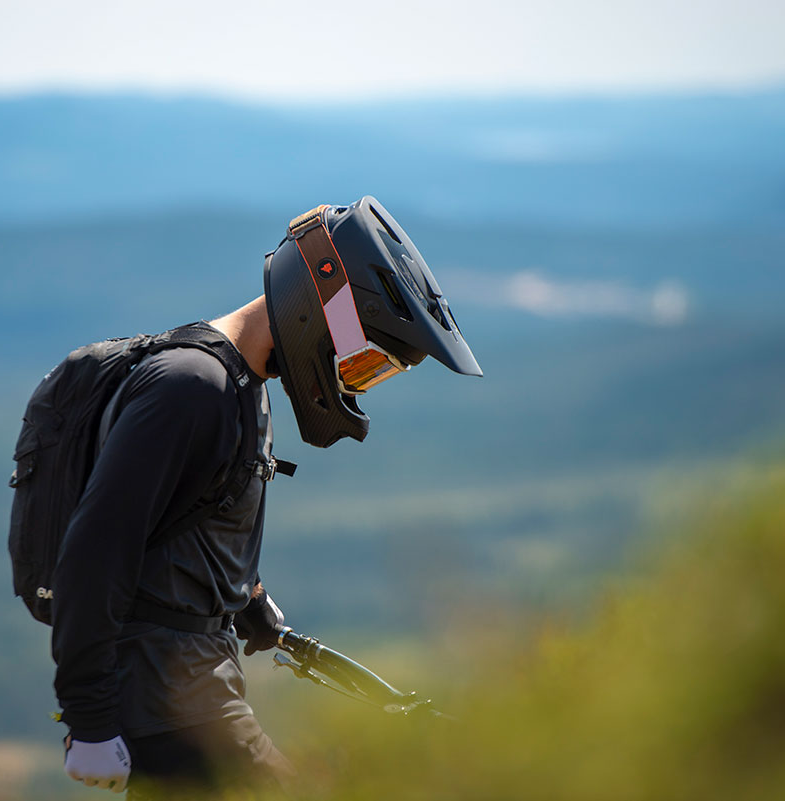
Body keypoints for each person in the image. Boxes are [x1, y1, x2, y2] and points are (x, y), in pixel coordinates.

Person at [52, 197, 481, 796]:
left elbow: (187, 516)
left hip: (193, 687)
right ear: (324, 314)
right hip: (172, 704)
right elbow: (95, 549)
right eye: (362, 364)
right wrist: (89, 719)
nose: (350, 380)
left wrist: (244, 597)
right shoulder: (190, 388)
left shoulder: (238, 383)